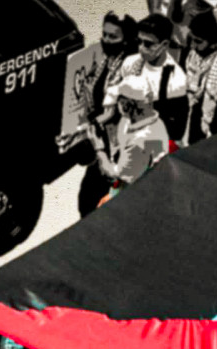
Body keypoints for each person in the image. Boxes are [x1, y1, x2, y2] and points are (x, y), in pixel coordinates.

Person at [78, 12, 140, 217]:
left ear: (126, 40)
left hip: (119, 143)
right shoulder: (104, 59)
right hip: (101, 138)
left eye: (113, 37)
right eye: (104, 35)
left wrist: (90, 124)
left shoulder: (131, 67)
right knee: (87, 200)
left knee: (107, 200)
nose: (106, 40)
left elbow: (115, 111)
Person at [103, 14, 190, 143]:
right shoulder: (130, 62)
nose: (141, 48)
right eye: (139, 42)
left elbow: (175, 131)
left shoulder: (175, 80)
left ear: (164, 44)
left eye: (148, 44)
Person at [88, 76, 173, 205]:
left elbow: (113, 175)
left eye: (119, 101)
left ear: (126, 105)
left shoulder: (139, 142)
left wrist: (98, 147)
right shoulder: (135, 120)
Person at [183, 12, 217, 146]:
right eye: (192, 39)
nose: (192, 46)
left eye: (198, 41)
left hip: (215, 124)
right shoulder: (193, 54)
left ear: (215, 44)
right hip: (192, 117)